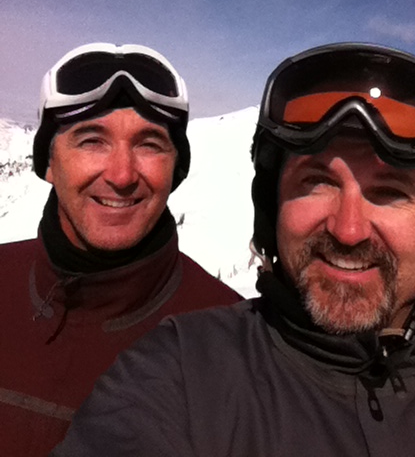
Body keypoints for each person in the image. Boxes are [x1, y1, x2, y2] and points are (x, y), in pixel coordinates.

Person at [52, 43, 415, 456]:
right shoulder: (184, 374)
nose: (348, 230)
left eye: (389, 192)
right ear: (271, 208)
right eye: (316, 183)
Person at [0, 42, 241, 456]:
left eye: (149, 144)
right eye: (91, 140)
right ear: (48, 164)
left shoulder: (231, 342)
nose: (122, 175)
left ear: (175, 169)